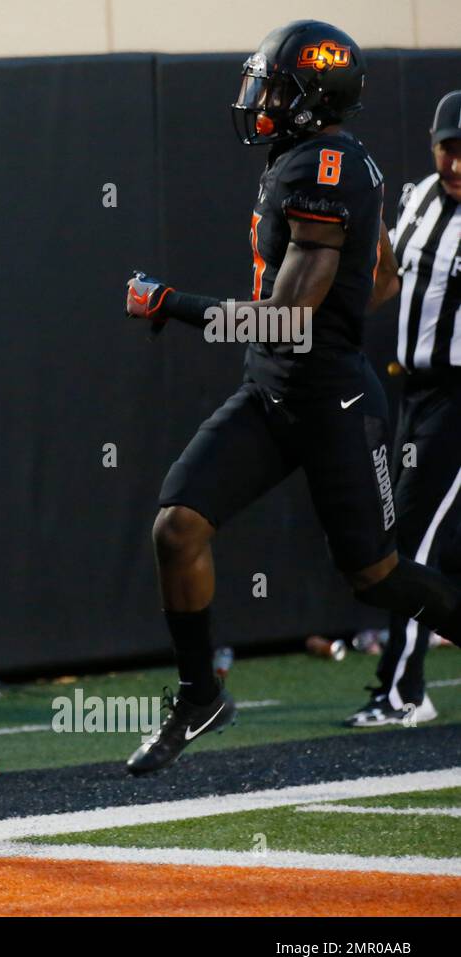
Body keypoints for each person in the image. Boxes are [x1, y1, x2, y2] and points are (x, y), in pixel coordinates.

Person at [122, 22, 461, 774]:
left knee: (379, 576)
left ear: (314, 97)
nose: (262, 98)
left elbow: (282, 318)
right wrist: (328, 311)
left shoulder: (328, 169)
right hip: (274, 390)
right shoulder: (314, 159)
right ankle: (199, 694)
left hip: (332, 403)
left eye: (277, 86)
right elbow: (383, 275)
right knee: (177, 528)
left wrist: (169, 303)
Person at [346, 90, 461, 727]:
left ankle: (405, 692)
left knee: (410, 546)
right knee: (417, 541)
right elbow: (384, 274)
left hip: (457, 397)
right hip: (410, 391)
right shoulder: (417, 197)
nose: (457, 164)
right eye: (449, 148)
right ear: (432, 143)